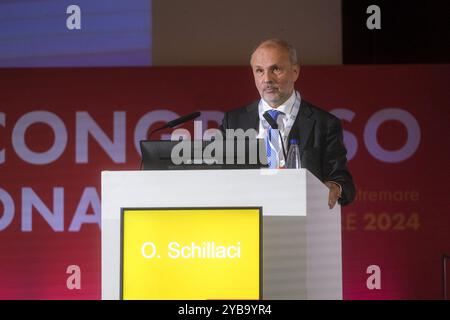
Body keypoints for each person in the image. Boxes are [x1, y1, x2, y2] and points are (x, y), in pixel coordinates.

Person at [219, 39, 355, 208]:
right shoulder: (233, 121)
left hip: (299, 221)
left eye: (275, 69)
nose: (267, 79)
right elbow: (220, 178)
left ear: (295, 71)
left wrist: (334, 187)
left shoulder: (324, 123)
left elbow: (344, 183)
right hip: (247, 220)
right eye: (259, 71)